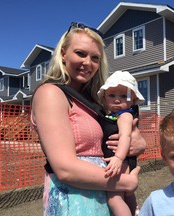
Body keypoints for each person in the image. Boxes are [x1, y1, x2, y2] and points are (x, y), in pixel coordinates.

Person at [31, 22, 146, 216]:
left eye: (95, 58)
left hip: (102, 194)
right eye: (80, 53)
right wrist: (127, 182)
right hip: (75, 199)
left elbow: (119, 136)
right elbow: (65, 169)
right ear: (63, 54)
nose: (88, 63)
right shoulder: (51, 93)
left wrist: (138, 143)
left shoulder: (96, 102)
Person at [97, 70, 145, 216]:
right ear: (105, 98)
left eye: (123, 96)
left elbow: (125, 136)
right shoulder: (112, 115)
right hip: (123, 160)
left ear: (133, 99)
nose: (117, 100)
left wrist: (118, 158)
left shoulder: (124, 115)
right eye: (112, 95)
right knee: (127, 194)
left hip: (120, 160)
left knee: (114, 198)